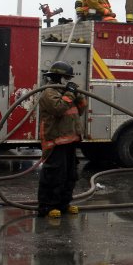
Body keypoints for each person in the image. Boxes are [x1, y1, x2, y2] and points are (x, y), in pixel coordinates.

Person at [36, 61, 86, 218]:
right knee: (54, 174)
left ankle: (64, 204)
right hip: (55, 141)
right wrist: (70, 94)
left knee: (70, 174)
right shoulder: (48, 92)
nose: (68, 80)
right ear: (58, 77)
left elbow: (80, 110)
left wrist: (78, 96)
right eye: (66, 77)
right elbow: (58, 109)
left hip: (70, 140)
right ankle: (47, 206)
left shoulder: (65, 92)